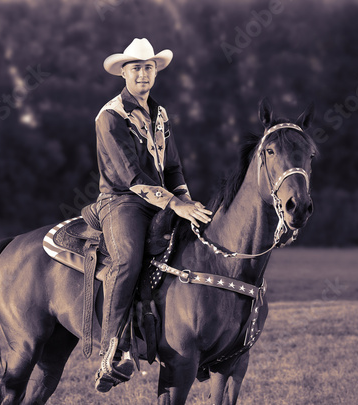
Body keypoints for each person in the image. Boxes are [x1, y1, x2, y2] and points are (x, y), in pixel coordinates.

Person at [94, 38, 212, 392]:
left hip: (162, 200)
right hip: (122, 201)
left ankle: (199, 342)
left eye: (148, 67)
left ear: (155, 72)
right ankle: (112, 353)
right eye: (136, 68)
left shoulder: (161, 115)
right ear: (124, 73)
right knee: (127, 260)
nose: (143, 73)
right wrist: (176, 205)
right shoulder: (110, 116)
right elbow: (130, 176)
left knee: (198, 246)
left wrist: (189, 204)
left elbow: (173, 168)